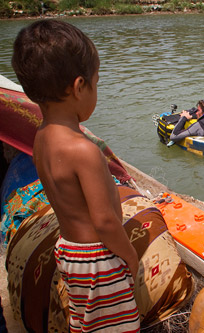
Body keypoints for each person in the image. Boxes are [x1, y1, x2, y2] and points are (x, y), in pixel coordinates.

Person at [12, 20, 140, 332]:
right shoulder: (84, 151)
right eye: (96, 84)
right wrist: (130, 258)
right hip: (99, 260)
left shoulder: (41, 138)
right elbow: (104, 221)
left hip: (69, 252)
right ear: (79, 86)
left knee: (87, 323)